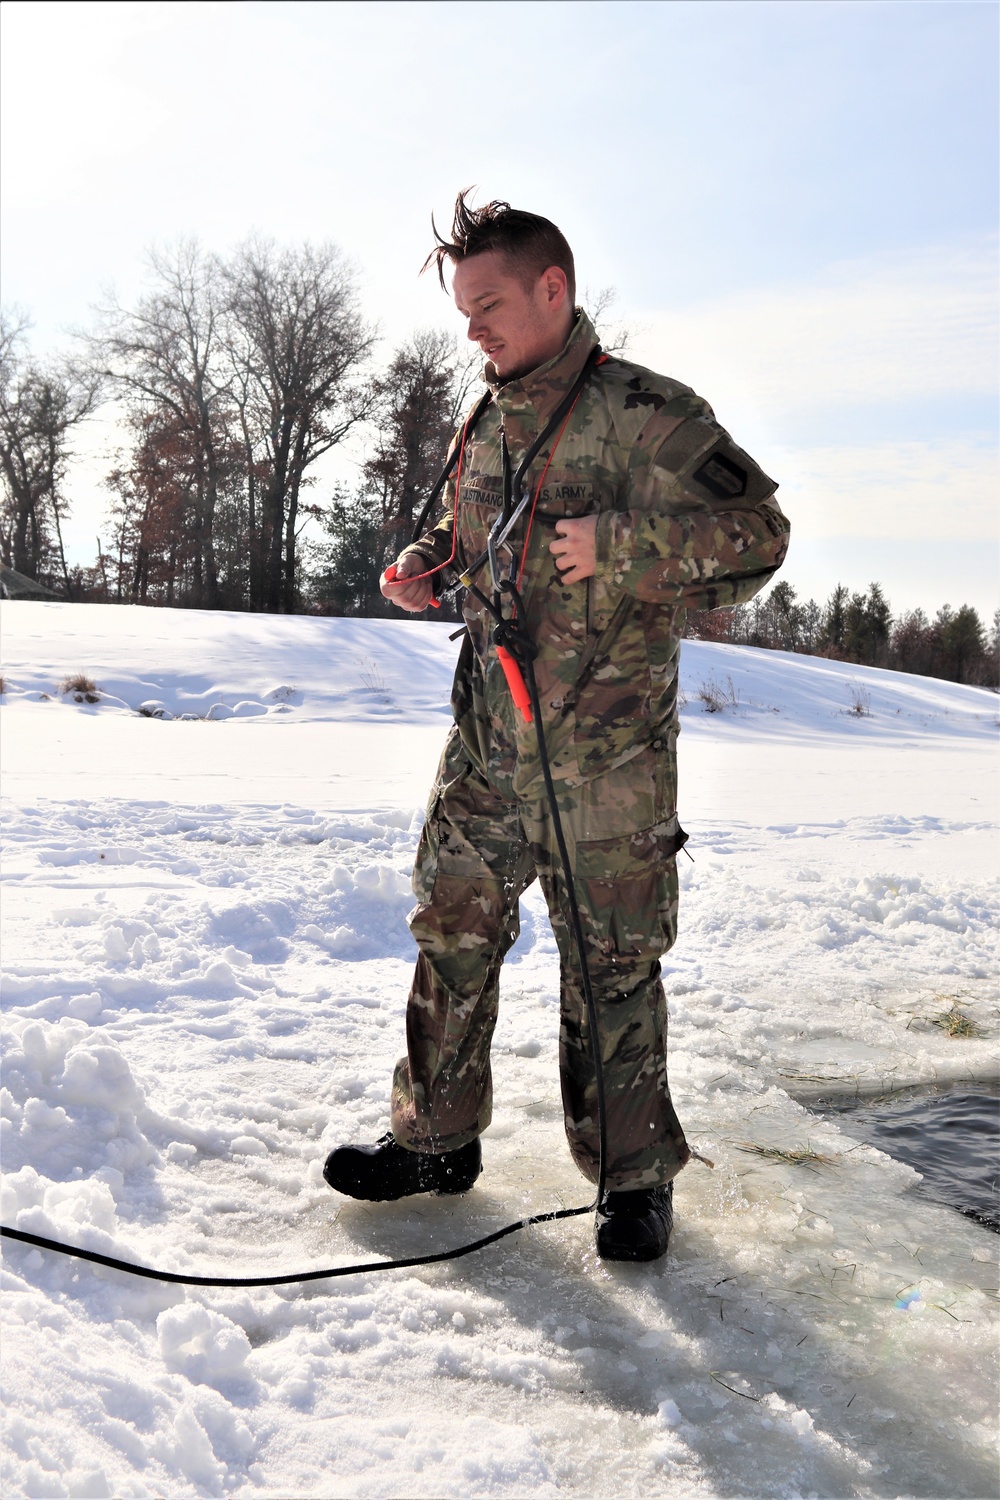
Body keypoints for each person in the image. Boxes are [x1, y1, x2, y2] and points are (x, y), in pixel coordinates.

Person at [323, 193, 790, 1261]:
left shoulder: (645, 412)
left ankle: (632, 1181)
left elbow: (760, 536)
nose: (472, 327)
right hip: (487, 745)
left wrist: (619, 545)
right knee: (452, 936)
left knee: (610, 964)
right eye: (461, 309)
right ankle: (435, 1143)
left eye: (487, 304)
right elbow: (474, 531)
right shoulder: (485, 419)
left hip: (606, 764)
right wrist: (428, 561)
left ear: (552, 289)